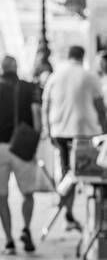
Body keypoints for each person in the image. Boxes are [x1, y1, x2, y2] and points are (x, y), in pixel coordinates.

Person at [0, 54, 42, 254]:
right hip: (22, 147)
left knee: (2, 196)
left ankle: (8, 240)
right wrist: (35, 141)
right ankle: (26, 228)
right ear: (16, 69)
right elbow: (37, 119)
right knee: (28, 193)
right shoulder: (29, 88)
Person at [42, 45, 107, 230]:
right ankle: (75, 210)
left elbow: (45, 105)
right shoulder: (90, 77)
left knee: (67, 172)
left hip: (60, 130)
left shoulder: (55, 76)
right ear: (82, 56)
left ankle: (66, 206)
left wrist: (48, 129)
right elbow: (100, 109)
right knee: (88, 175)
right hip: (84, 132)